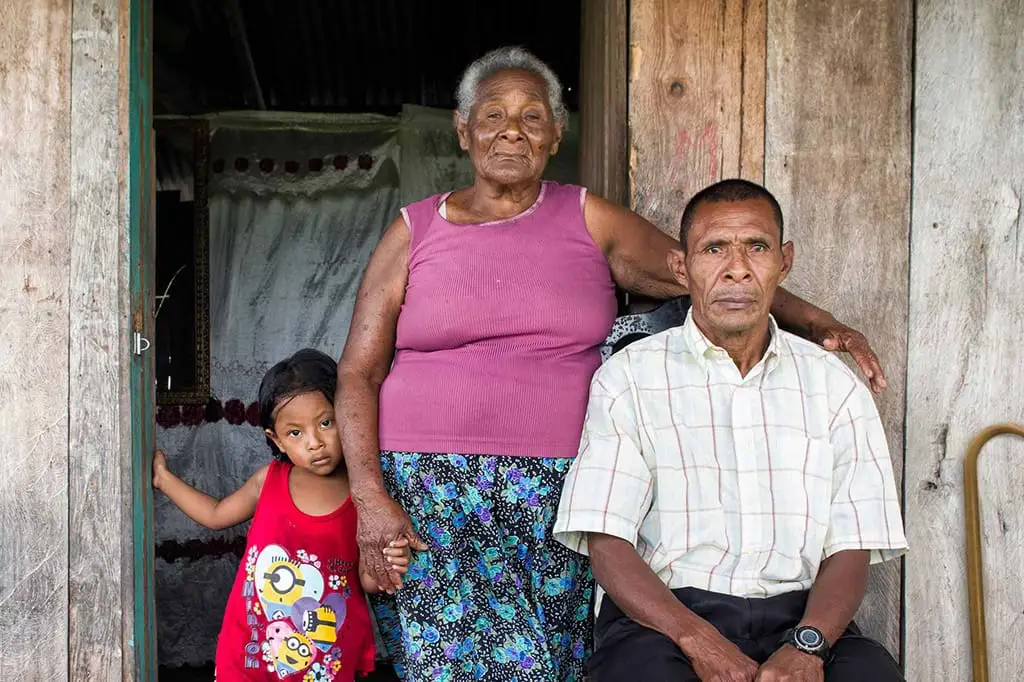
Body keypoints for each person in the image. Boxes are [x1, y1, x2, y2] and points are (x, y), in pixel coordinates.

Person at [337, 46, 889, 682]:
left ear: (556, 133)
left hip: (556, 496)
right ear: (464, 130)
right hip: (430, 493)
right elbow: (358, 371)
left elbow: (713, 270)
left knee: (553, 666)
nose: (511, 130)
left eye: (532, 116)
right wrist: (371, 499)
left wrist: (821, 324)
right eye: (493, 115)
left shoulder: (586, 217)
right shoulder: (415, 230)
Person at [554, 179, 908, 682]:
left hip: (801, 619)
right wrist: (698, 640)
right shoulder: (630, 378)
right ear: (682, 266)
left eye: (756, 248)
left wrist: (807, 647)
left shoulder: (833, 385)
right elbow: (607, 540)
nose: (737, 269)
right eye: (714, 248)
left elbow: (852, 545)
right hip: (666, 620)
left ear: (783, 262)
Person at [153, 349, 410, 681]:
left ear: (348, 416)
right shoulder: (268, 481)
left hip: (323, 662)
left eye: (326, 422)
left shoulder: (364, 494)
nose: (315, 442)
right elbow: (216, 513)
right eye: (296, 433)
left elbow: (367, 582)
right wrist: (165, 480)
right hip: (251, 651)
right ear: (276, 439)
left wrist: (390, 560)